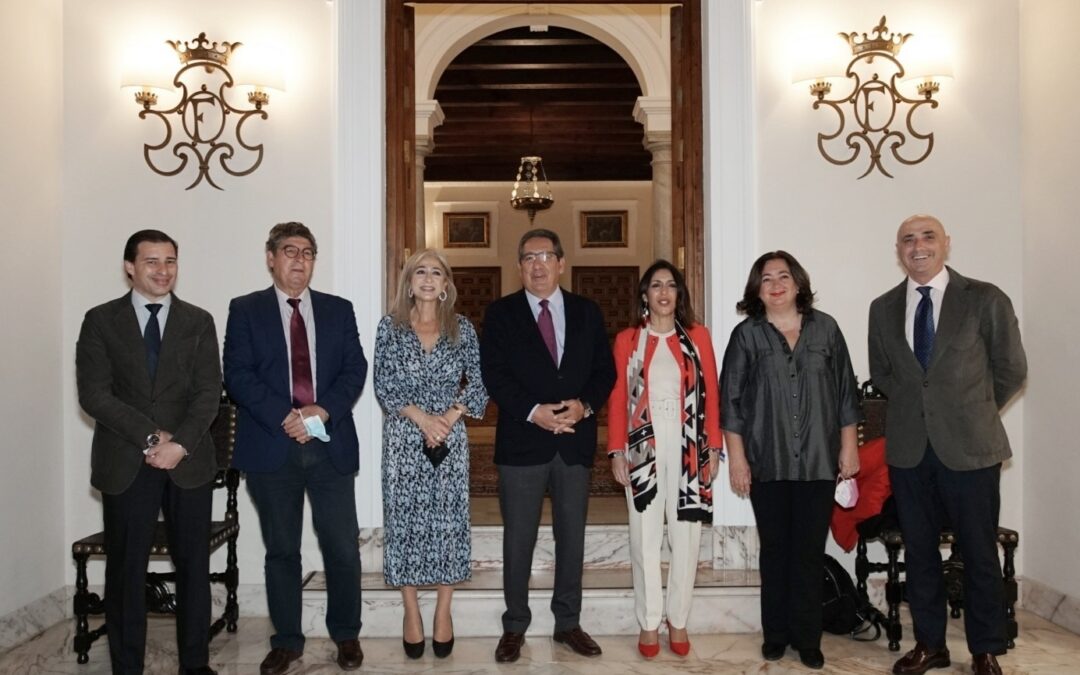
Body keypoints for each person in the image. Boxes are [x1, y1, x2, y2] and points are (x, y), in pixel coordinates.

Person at [869, 215, 1026, 675]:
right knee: (919, 553)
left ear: (946, 245)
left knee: (978, 551)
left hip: (971, 449)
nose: (918, 246)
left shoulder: (985, 298)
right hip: (910, 450)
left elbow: (1011, 368)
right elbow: (883, 374)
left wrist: (972, 409)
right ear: (898, 250)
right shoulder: (882, 307)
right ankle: (930, 645)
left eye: (928, 237)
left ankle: (985, 649)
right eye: (908, 239)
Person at [223, 222, 368, 675]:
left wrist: (320, 411)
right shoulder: (245, 309)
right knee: (281, 549)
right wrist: (286, 416)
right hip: (272, 447)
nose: (299, 260)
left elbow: (354, 369)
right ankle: (286, 640)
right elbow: (237, 373)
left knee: (342, 547)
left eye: (307, 252)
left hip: (330, 446)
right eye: (290, 251)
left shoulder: (337, 310)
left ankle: (346, 634)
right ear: (271, 257)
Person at [75, 229, 221, 675]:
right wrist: (152, 437)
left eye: (171, 261)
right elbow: (95, 395)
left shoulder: (199, 321)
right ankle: (127, 667)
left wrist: (178, 445)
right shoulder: (100, 320)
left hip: (188, 462)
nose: (163, 271)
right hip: (126, 462)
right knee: (125, 572)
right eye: (153, 262)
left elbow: (208, 393)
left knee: (194, 570)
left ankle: (195, 666)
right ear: (130, 267)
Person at [480, 228, 616, 663]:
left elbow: (604, 371)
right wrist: (532, 411)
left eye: (545, 256)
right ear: (520, 267)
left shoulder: (587, 312)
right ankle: (515, 625)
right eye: (528, 258)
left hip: (574, 443)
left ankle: (568, 623)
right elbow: (494, 374)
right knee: (518, 538)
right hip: (522, 443)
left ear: (561, 262)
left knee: (571, 536)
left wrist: (585, 406)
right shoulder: (500, 314)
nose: (537, 265)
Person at [719, 250, 860, 671]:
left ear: (798, 283)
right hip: (768, 461)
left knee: (809, 552)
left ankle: (808, 637)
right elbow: (731, 404)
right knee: (776, 551)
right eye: (766, 278)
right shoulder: (747, 336)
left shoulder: (827, 330)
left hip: (819, 460)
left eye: (784, 276)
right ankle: (776, 635)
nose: (776, 284)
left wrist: (849, 446)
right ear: (756, 290)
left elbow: (845, 395)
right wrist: (738, 460)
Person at [373, 248, 488, 660]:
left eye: (435, 273)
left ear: (445, 285)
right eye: (419, 272)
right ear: (408, 282)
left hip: (449, 439)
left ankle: (442, 611)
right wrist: (423, 418)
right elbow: (384, 384)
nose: (426, 278)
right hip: (404, 437)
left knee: (447, 524)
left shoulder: (463, 329)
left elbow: (478, 383)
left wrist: (449, 417)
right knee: (404, 522)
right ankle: (410, 612)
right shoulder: (390, 328)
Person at [606, 260, 722, 659]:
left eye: (671, 285)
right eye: (656, 285)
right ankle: (649, 621)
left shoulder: (698, 337)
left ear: (679, 294)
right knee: (644, 535)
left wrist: (714, 447)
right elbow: (619, 397)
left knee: (686, 535)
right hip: (643, 442)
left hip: (689, 442)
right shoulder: (628, 340)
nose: (664, 292)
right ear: (645, 294)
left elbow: (713, 393)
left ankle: (679, 618)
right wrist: (617, 450)